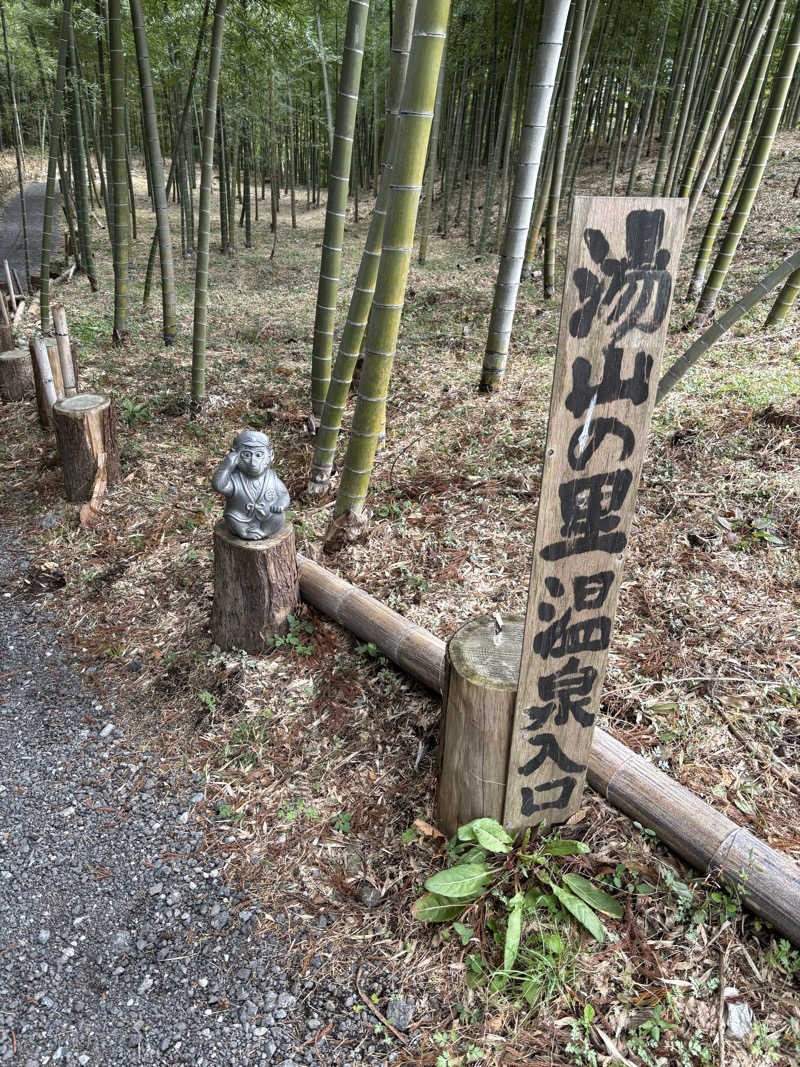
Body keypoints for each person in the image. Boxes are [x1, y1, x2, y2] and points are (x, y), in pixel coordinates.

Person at [211, 430, 290, 540]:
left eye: (259, 455)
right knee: (232, 518)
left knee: (279, 516)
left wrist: (280, 504)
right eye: (246, 455)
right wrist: (227, 466)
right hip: (240, 518)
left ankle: (264, 532)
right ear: (234, 455)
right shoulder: (235, 478)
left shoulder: (272, 478)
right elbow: (219, 486)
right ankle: (243, 532)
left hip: (266, 517)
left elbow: (284, 495)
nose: (253, 462)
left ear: (270, 455)